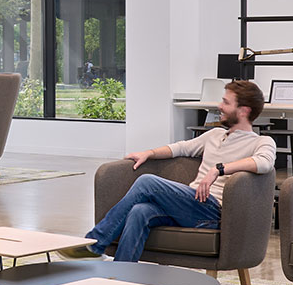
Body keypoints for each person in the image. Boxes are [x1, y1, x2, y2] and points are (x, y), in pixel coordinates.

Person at [82, 80, 277, 261]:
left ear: (243, 111)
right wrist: (149, 153)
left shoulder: (261, 142)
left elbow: (265, 163)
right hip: (191, 203)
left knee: (146, 181)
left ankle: (95, 243)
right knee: (140, 211)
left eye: (226, 102)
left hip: (213, 212)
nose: (219, 106)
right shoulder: (215, 134)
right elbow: (181, 148)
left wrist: (219, 169)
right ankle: (122, 277)